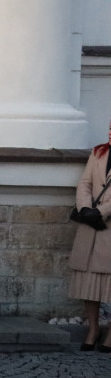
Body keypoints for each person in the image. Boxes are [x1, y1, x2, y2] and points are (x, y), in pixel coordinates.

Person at [68, 120, 111, 352]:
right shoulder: (99, 152)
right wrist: (85, 208)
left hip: (107, 226)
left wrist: (101, 212)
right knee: (89, 281)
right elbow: (85, 182)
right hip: (90, 226)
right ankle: (93, 328)